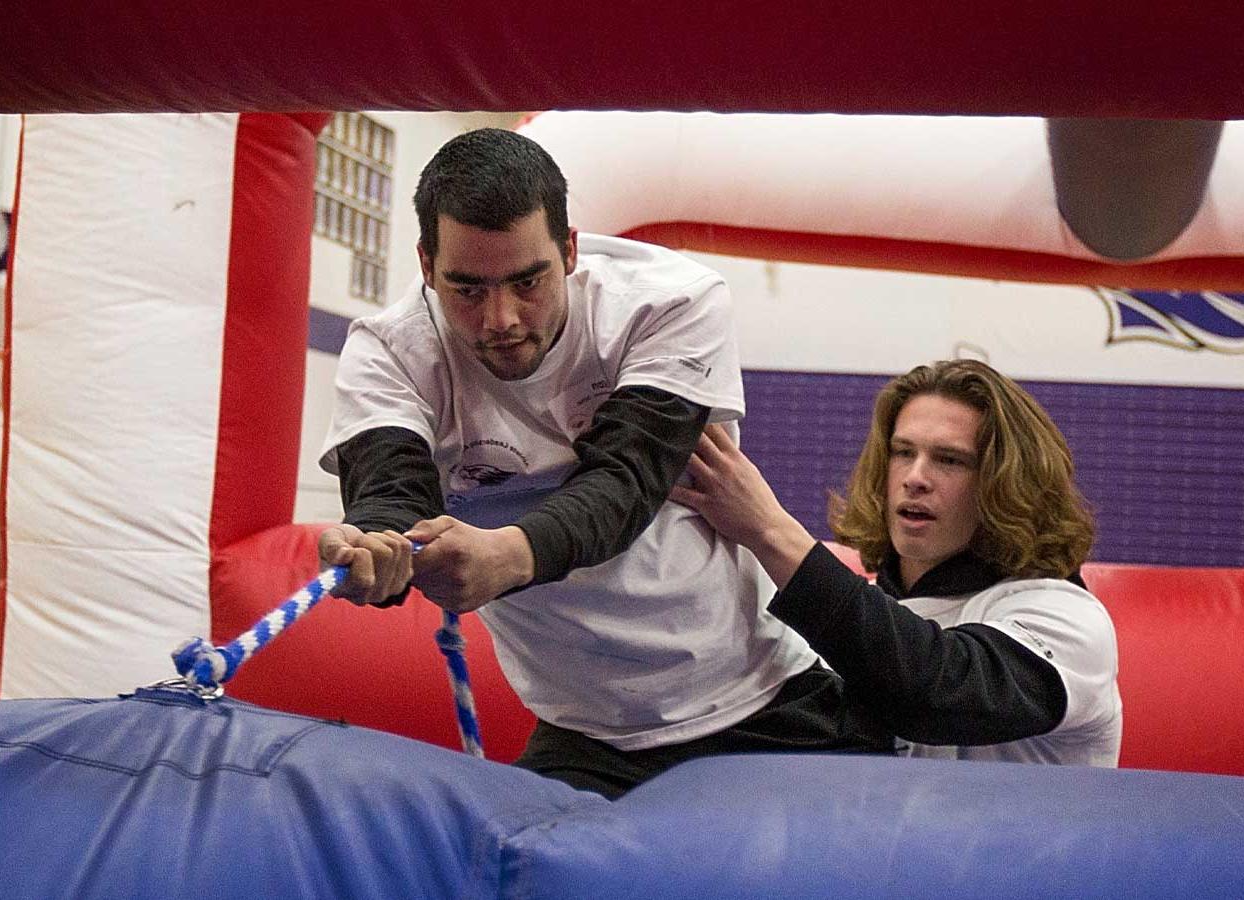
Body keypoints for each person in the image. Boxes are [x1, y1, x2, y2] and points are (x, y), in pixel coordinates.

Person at [316, 128, 890, 797]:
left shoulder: (667, 302)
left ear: (569, 251)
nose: (500, 318)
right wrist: (379, 552)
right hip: (587, 730)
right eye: (466, 289)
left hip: (762, 697)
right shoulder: (389, 350)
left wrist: (513, 554)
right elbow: (391, 491)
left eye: (527, 282)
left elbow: (625, 483)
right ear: (425, 264)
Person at [670, 359, 1122, 765]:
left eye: (949, 460)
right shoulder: (872, 619)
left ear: (1009, 483)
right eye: (903, 452)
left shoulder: (1066, 617)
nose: (915, 477)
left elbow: (935, 694)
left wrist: (770, 531)